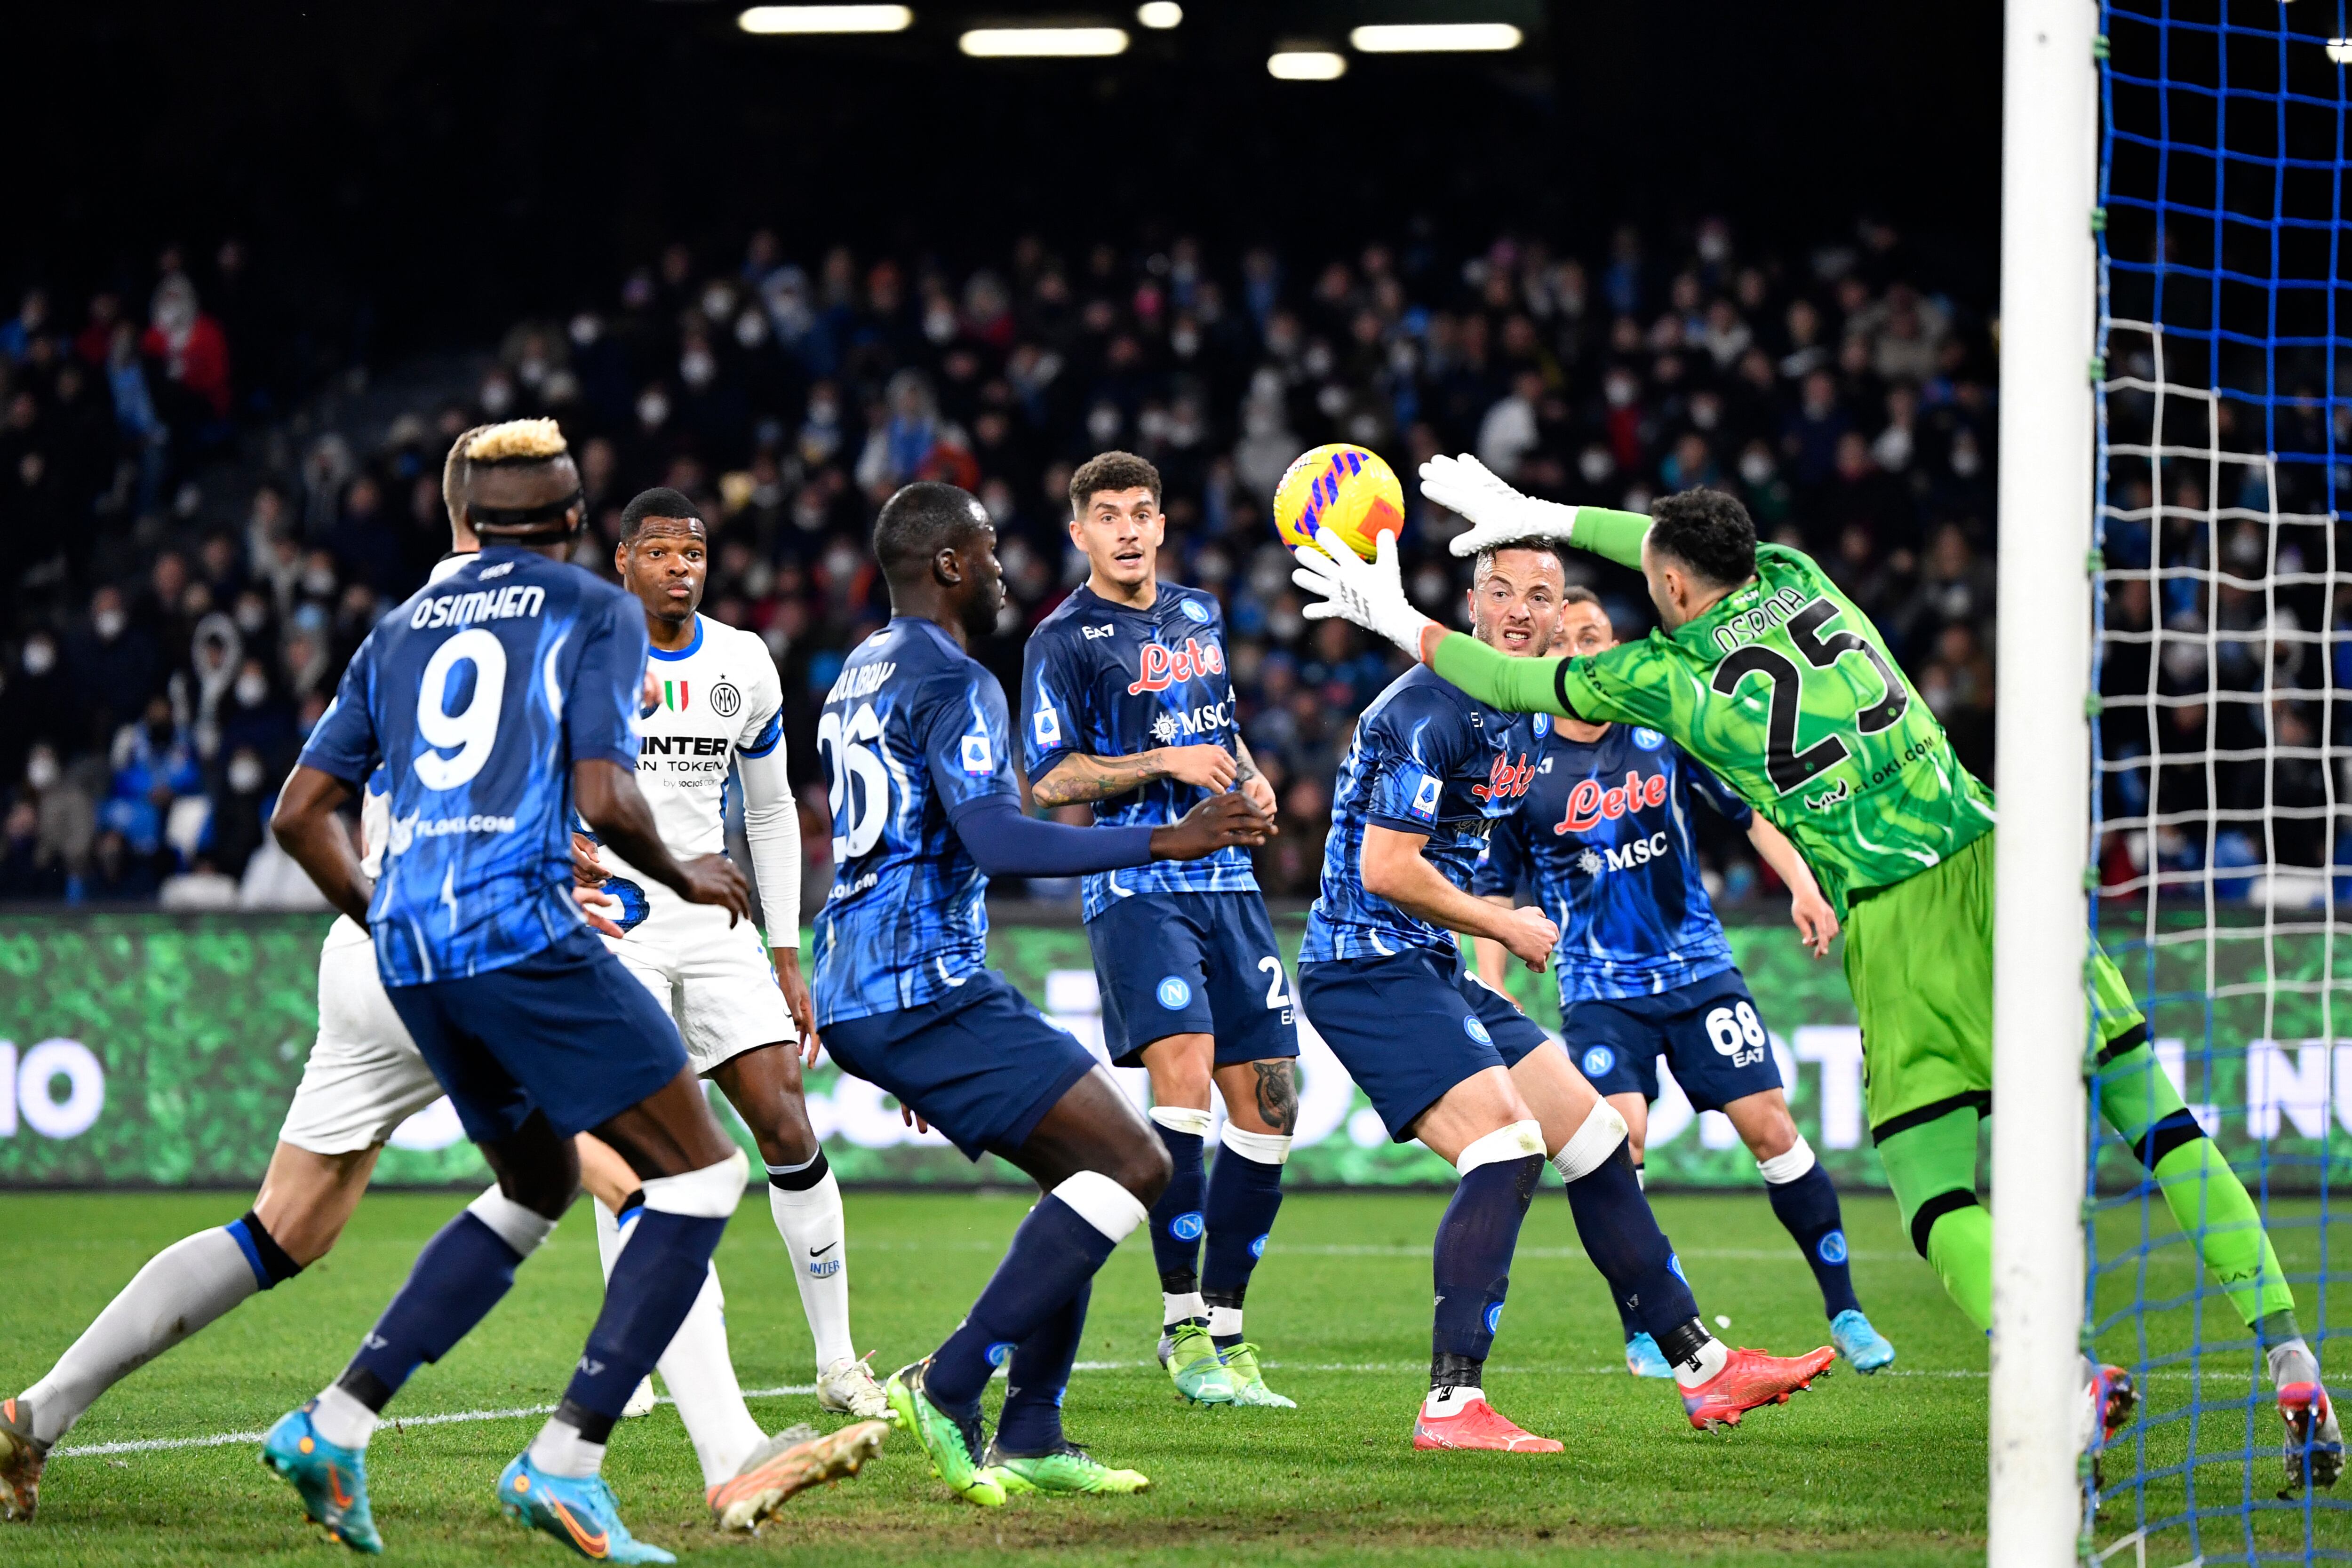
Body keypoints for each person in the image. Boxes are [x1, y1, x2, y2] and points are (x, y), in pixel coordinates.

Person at [1291, 456, 2344, 1490]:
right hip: (2006, 864)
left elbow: (1514, 677)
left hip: (1897, 916)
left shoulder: (1665, 679)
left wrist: (1395, 616)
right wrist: (1551, 513)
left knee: (1933, 1191)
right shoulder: (1799, 576)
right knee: (2158, 1122)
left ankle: (2059, 1374)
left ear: (1663, 589)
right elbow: (1662, 549)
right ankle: (2292, 1357)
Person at [258, 419, 883, 1561]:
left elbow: (297, 812)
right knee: (692, 1174)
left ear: (467, 523)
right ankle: (579, 1458)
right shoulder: (582, 615)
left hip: (412, 946)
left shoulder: (397, 630)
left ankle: (335, 1418)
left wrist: (384, 913)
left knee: (538, 1183)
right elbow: (603, 791)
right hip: (540, 936)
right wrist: (681, 869)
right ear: (582, 533)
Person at [1295, 538, 1836, 1452]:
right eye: (1499, 589)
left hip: (1428, 962)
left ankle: (1702, 1368)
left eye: (1538, 594)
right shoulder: (1426, 711)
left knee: (1591, 1141)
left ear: (1558, 617)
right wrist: (1503, 924)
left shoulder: (1530, 710)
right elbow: (1384, 867)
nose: (1517, 607)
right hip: (1364, 963)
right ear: (1470, 602)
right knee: (1506, 1148)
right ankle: (1451, 1402)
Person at [813, 481, 1271, 1503]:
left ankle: (1032, 1429)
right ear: (947, 566)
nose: (1001, 568)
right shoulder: (957, 675)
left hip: (871, 977)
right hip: (920, 981)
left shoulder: (860, 668)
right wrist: (1167, 833)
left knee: (1087, 1171)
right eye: (985, 550)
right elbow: (997, 835)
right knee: (1133, 1158)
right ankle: (955, 1377)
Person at [1468, 586, 1896, 1379]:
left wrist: (1802, 883)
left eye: (1598, 635)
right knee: (1618, 1144)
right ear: (1549, 658)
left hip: (1701, 973)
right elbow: (1495, 893)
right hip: (1600, 991)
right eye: (1571, 641)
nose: (1587, 651)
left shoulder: (1664, 728)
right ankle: (1643, 1326)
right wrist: (1492, 988)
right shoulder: (1519, 765)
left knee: (1771, 1128)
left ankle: (1846, 1311)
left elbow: (1753, 810)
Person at [571, 484, 888, 1441]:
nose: (682, 568)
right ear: (622, 559)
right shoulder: (583, 654)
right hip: (613, 924)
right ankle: (633, 1355)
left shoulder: (743, 661)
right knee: (638, 1144)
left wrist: (787, 952)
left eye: (695, 553)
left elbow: (767, 810)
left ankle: (835, 1358)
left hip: (715, 919)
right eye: (662, 552)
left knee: (785, 1119)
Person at [1019, 450, 1298, 1409]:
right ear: (1079, 533)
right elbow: (1050, 777)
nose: (1129, 529)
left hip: (1230, 880)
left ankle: (1226, 1324)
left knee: (1271, 1103)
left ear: (1162, 523)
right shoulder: (1062, 638)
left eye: (1142, 512)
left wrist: (1248, 773)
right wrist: (1159, 760)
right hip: (1140, 879)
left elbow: (1217, 728)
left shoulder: (1198, 612)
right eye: (1109, 515)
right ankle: (1180, 1325)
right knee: (1183, 1075)